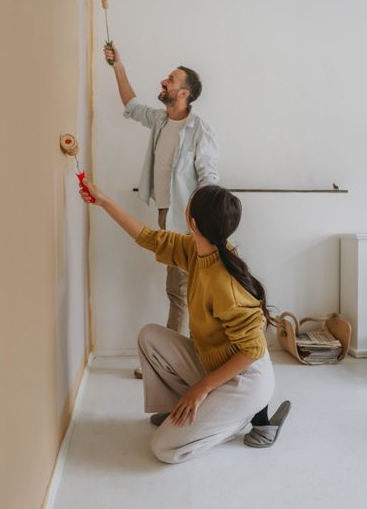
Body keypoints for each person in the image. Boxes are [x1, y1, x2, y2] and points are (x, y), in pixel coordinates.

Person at [79, 178, 291, 461]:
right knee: (149, 336)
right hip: (215, 364)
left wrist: (201, 390)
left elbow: (252, 350)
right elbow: (148, 238)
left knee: (164, 449)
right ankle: (191, 408)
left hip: (245, 379)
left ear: (192, 221)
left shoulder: (225, 284)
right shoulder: (197, 249)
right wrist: (102, 199)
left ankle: (245, 417)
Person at [104, 44, 218, 378]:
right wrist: (118, 66)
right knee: (179, 289)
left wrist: (203, 223)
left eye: (170, 80)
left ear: (184, 92)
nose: (163, 82)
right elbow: (130, 104)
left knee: (181, 290)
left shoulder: (199, 130)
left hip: (190, 219)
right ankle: (180, 360)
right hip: (166, 214)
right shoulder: (159, 120)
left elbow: (209, 176)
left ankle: (172, 364)